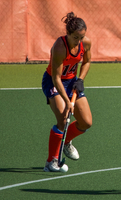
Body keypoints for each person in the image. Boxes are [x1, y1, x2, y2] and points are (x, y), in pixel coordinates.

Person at [42, 12, 92, 172]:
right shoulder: (59, 47)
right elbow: (56, 78)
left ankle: (66, 141)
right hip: (54, 82)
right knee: (63, 119)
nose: (79, 41)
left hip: (72, 81)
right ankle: (51, 162)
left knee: (86, 122)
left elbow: (87, 61)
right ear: (68, 34)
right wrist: (68, 101)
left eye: (82, 36)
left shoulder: (86, 43)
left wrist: (80, 80)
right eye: (76, 37)